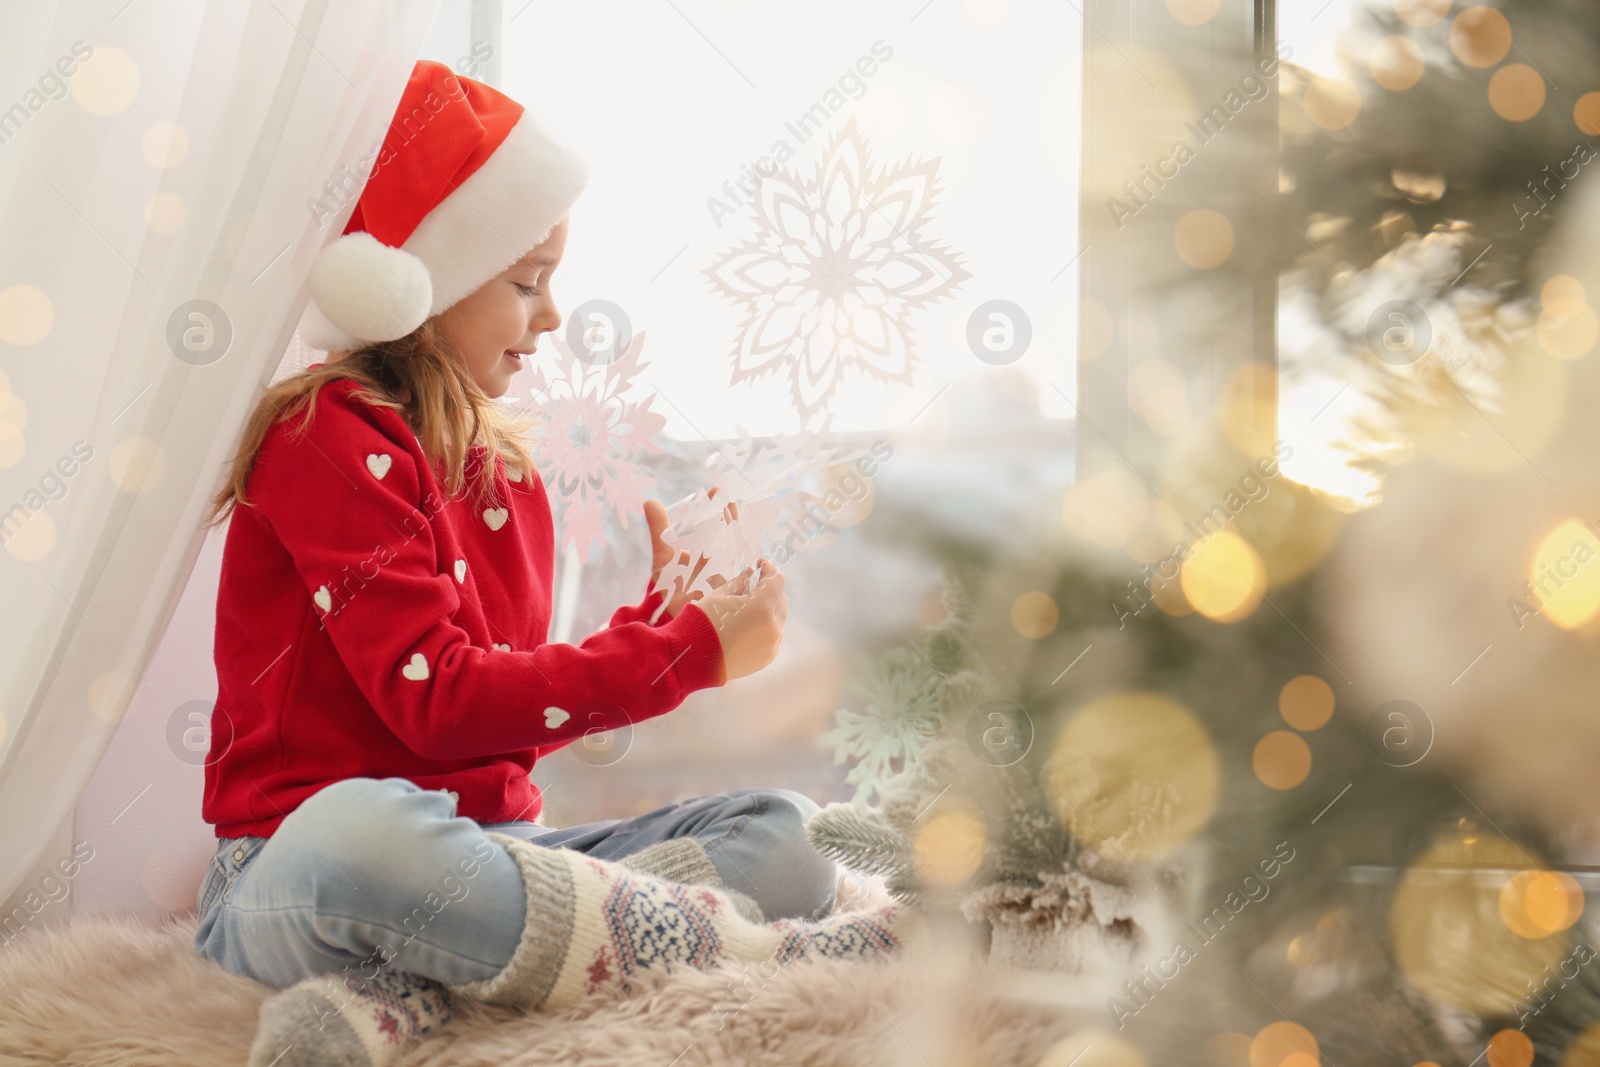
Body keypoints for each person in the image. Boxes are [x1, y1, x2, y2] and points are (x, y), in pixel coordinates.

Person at [193, 60, 921, 1067]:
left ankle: (413, 993)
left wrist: (654, 627)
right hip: (293, 875)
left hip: (500, 859)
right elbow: (437, 704)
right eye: (526, 282)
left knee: (790, 832)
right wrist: (678, 658)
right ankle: (736, 945)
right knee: (355, 831)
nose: (551, 316)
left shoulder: (508, 476)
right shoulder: (325, 436)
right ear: (422, 284)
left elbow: (500, 727)